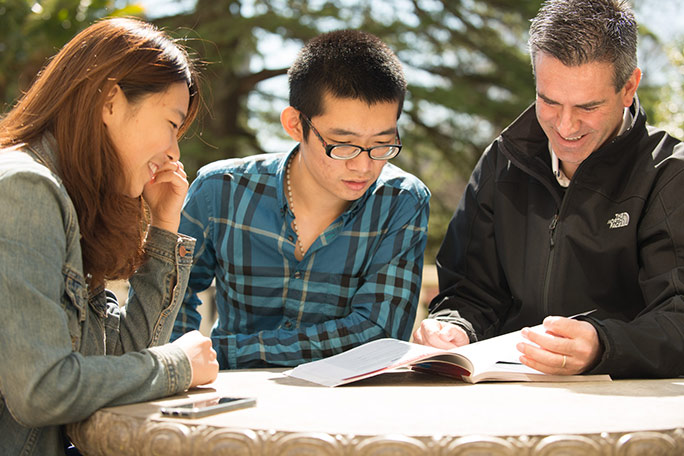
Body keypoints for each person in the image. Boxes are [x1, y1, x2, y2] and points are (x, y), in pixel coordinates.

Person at [413, 0, 684, 378]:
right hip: (506, 394)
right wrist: (455, 327)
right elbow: (470, 292)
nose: (566, 127)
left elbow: (678, 316)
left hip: (624, 404)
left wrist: (603, 345)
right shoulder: (500, 162)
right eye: (549, 101)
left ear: (629, 88)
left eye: (587, 107)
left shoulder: (670, 174)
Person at [0, 18, 219, 455]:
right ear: (110, 101)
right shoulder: (25, 189)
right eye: (172, 123)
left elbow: (115, 361)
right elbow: (42, 389)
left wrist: (163, 228)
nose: (175, 151)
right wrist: (178, 365)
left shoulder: (66, 200)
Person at [172, 30, 430, 369]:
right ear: (295, 124)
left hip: (345, 404)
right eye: (343, 145)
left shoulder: (401, 201)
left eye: (383, 144)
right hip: (226, 395)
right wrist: (179, 368)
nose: (364, 166)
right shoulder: (221, 189)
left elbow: (377, 332)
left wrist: (225, 352)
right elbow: (170, 299)